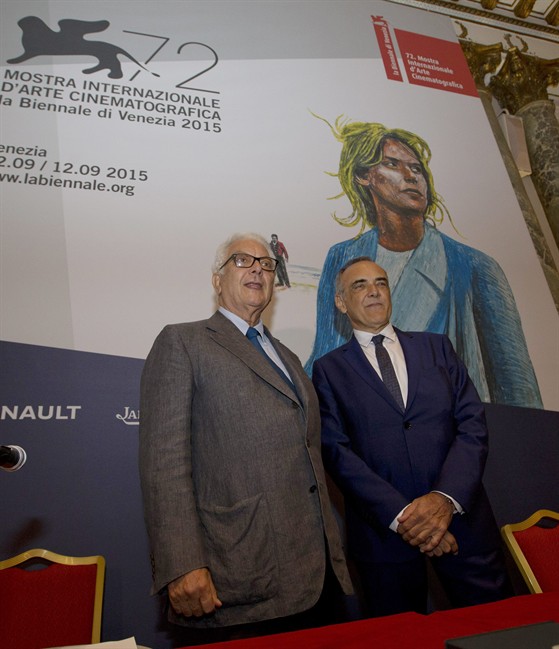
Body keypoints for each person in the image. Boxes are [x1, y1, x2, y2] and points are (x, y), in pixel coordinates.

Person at [139, 233, 352, 641]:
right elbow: (164, 466)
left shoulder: (287, 356)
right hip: (239, 574)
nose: (258, 267)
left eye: (267, 264)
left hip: (317, 577)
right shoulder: (182, 342)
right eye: (242, 260)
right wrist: (182, 565)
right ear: (217, 279)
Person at [312, 256, 512, 617]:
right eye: (360, 285)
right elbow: (336, 451)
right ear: (341, 302)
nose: (373, 291)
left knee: (502, 631)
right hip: (385, 539)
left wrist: (443, 501)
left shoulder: (437, 348)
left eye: (381, 282)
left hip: (463, 526)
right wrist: (408, 517)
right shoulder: (328, 371)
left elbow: (472, 426)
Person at [305, 117, 542, 409]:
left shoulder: (475, 267)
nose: (410, 175)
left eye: (416, 168)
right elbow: (324, 354)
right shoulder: (341, 257)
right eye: (392, 164)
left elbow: (517, 388)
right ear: (364, 176)